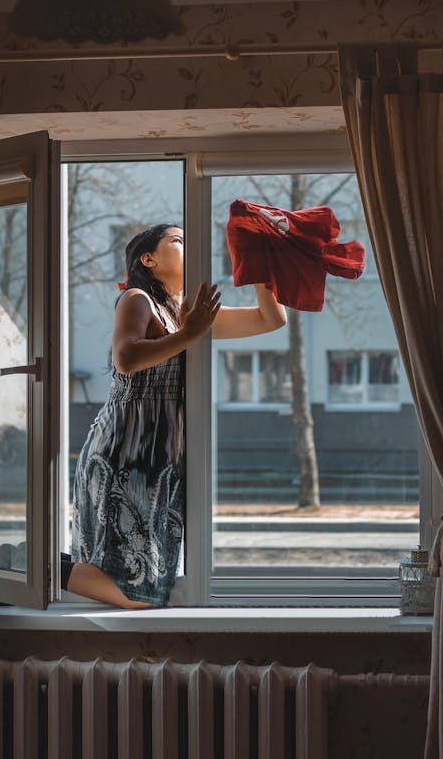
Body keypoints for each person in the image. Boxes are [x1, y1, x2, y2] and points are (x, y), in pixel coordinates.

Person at [66, 224, 287, 608]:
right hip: (125, 452)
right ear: (148, 259)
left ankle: (29, 566)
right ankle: (26, 567)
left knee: (150, 580)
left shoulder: (187, 312)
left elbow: (271, 320)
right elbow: (126, 357)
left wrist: (260, 262)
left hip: (161, 458)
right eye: (178, 241)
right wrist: (191, 333)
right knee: (139, 592)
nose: (190, 246)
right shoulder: (137, 299)